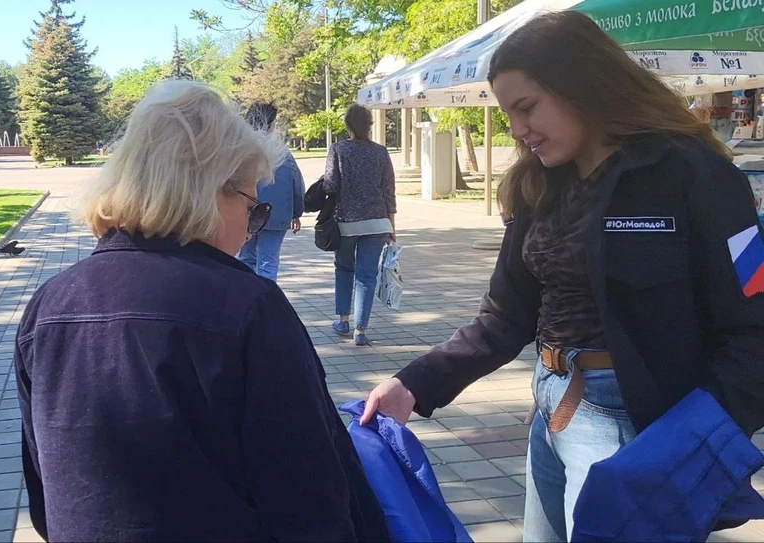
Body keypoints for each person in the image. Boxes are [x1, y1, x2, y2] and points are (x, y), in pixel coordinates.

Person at [361, 10, 764, 543]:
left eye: (527, 107)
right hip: (551, 410)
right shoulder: (538, 186)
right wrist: (413, 383)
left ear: (585, 84)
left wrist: (691, 440)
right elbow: (503, 319)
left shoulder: (696, 175)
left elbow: (754, 332)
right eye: (509, 115)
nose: (518, 130)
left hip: (637, 429)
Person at [16, 80, 389, 542]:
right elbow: (310, 498)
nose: (250, 232)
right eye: (254, 208)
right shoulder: (250, 308)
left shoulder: (47, 306)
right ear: (213, 191)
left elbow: (45, 491)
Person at [323, 104, 396, 346]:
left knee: (344, 269)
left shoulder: (338, 149)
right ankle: (361, 331)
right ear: (370, 125)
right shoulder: (381, 152)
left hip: (347, 223)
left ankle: (343, 320)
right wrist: (391, 225)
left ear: (348, 125)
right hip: (377, 222)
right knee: (367, 275)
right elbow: (388, 190)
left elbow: (331, 184)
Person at [239, 102, 305, 281]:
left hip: (245, 213)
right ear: (270, 124)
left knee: (246, 260)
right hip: (276, 214)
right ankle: (266, 302)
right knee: (268, 262)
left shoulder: (239, 150)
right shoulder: (282, 152)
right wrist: (296, 213)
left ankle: (245, 298)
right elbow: (296, 184)